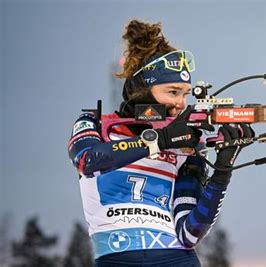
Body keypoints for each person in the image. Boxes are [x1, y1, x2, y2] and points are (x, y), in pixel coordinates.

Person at [67, 19, 254, 266]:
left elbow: (190, 234)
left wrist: (222, 170)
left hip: (177, 258)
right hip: (117, 258)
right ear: (143, 90)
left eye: (185, 94)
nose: (181, 103)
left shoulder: (186, 143)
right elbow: (88, 160)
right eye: (173, 92)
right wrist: (160, 140)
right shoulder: (95, 123)